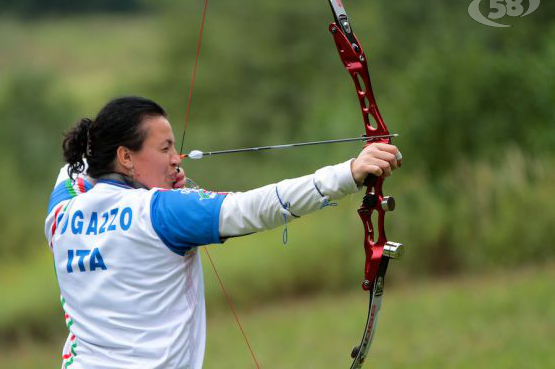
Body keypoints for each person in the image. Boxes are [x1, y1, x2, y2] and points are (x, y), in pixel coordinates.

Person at [45, 95, 401, 369]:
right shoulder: (160, 211)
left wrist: (146, 175)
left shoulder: (60, 214)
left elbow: (72, 169)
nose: (176, 158)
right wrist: (348, 173)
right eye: (165, 148)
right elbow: (252, 208)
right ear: (125, 157)